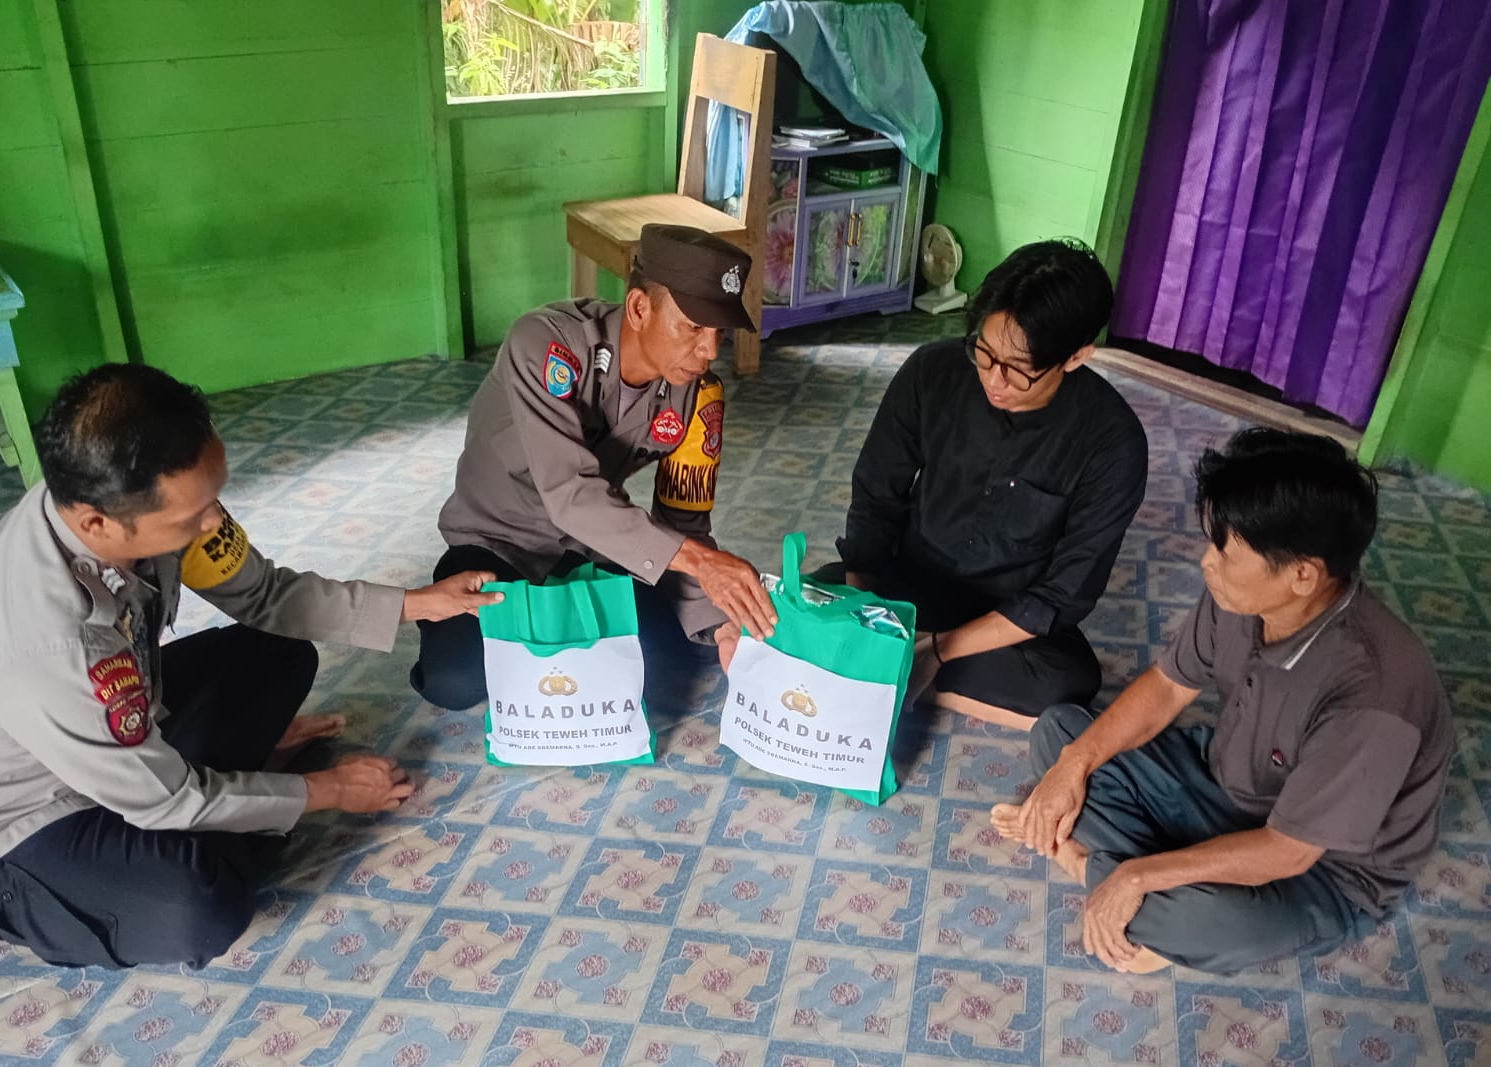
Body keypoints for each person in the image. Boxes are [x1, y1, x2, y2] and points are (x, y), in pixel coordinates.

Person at [0, 364, 499, 970]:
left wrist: (421, 603)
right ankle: (236, 803)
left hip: (102, 733)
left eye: (213, 498)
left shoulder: (115, 490)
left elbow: (268, 597)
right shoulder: (47, 643)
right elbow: (165, 802)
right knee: (197, 908)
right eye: (190, 518)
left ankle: (236, 797)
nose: (211, 523)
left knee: (279, 649)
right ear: (97, 522)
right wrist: (329, 790)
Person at [991, 429, 1453, 976]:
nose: (1207, 564)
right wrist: (1073, 765)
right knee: (1059, 735)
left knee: (1201, 920)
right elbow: (1167, 687)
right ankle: (1121, 878)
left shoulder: (1373, 697)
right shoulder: (1244, 596)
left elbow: (1287, 852)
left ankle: (1089, 862)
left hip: (1323, 871)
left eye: (1226, 551)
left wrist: (1137, 877)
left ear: (1303, 574)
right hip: (1223, 779)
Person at [412, 223, 777, 711]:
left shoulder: (698, 392)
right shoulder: (544, 346)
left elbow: (685, 522)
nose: (710, 351)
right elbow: (570, 494)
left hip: (594, 547)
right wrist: (704, 565)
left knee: (668, 672)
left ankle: (561, 629)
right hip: (496, 542)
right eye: (693, 327)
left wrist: (718, 620)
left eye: (720, 332)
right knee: (453, 680)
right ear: (639, 308)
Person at [824, 239, 1147, 729]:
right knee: (807, 594)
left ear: (1077, 357)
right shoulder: (932, 372)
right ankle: (912, 667)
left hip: (1005, 620)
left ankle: (913, 666)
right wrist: (863, 609)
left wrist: (939, 649)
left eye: (1019, 371)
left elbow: (1063, 594)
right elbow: (876, 496)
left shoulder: (1112, 443)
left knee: (1068, 682)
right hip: (907, 583)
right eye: (985, 352)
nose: (994, 379)